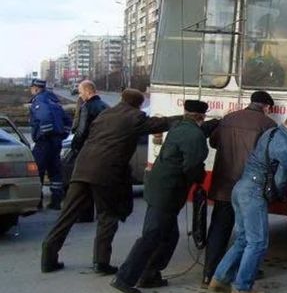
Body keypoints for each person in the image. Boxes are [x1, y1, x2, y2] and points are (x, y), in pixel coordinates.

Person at [41, 89, 179, 275]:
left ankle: (48, 257)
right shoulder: (135, 116)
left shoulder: (105, 114)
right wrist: (186, 118)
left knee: (67, 215)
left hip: (82, 168)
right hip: (106, 173)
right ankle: (101, 262)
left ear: (122, 99)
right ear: (138, 105)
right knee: (108, 216)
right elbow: (160, 123)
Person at [208, 110, 287, 293]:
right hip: (254, 194)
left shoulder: (270, 132)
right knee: (257, 242)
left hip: (240, 188)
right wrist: (278, 196)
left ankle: (219, 279)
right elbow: (280, 180)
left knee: (243, 239)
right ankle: (242, 287)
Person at [111, 100, 213, 293]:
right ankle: (124, 278)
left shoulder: (179, 127)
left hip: (158, 187)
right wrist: (199, 178)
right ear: (201, 116)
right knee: (152, 235)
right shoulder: (195, 135)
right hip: (168, 192)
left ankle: (150, 274)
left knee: (169, 236)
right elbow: (192, 165)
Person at [202, 91, 278, 288]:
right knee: (249, 234)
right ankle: (243, 273)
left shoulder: (228, 118)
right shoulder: (268, 124)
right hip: (249, 185)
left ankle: (209, 274)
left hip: (224, 184)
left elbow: (214, 142)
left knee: (219, 229)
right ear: (266, 107)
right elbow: (272, 155)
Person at [62, 80, 109, 223]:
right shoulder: (105, 106)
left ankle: (85, 215)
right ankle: (103, 214)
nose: (80, 95)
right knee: (99, 184)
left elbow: (81, 132)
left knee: (84, 183)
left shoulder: (87, 107)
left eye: (81, 92)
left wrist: (75, 147)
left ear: (88, 91)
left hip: (88, 150)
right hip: (103, 149)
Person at [29, 79, 71, 210]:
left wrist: (45, 135)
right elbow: (67, 120)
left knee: (37, 170)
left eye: (32, 88)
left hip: (44, 142)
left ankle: (38, 202)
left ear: (36, 88)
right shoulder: (54, 101)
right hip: (56, 142)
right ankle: (56, 201)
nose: (31, 90)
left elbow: (45, 116)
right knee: (55, 171)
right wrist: (62, 135)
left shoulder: (39, 100)